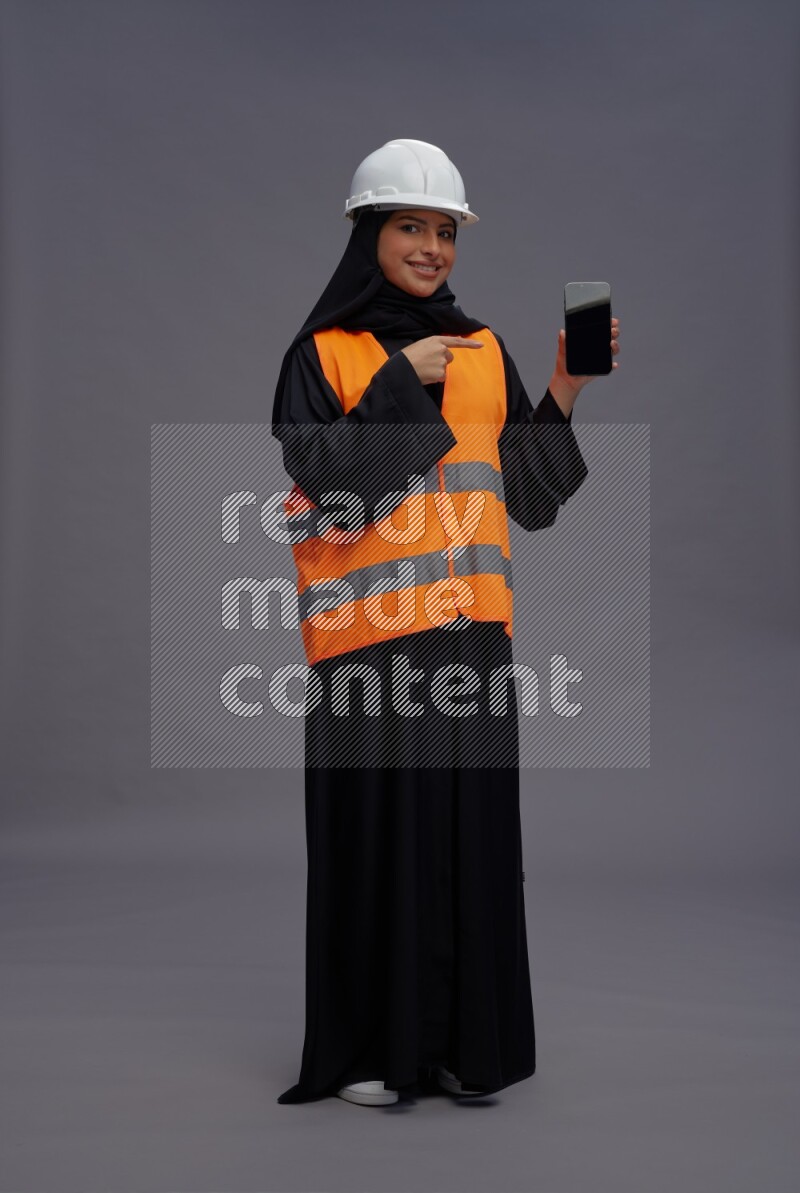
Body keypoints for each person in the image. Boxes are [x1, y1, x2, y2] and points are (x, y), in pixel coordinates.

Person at [271, 139, 620, 1107]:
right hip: (366, 647)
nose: (431, 247)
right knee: (378, 840)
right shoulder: (321, 355)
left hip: (469, 637)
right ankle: (372, 1051)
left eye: (444, 231)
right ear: (368, 235)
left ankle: (465, 1048)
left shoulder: (479, 350)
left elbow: (529, 494)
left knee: (466, 840)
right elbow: (324, 484)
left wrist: (562, 389)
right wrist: (395, 385)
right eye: (410, 227)